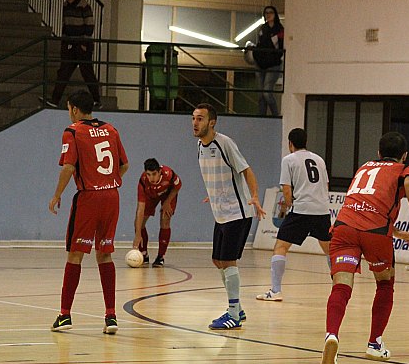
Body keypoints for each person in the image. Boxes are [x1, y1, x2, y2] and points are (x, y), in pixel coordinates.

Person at [321, 132, 409, 364]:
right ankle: (374, 343)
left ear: (378, 153)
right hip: (375, 234)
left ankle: (331, 335)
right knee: (385, 284)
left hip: (344, 227)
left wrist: (400, 234)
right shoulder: (403, 169)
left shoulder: (364, 167)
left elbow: (367, 210)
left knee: (340, 288)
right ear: (404, 156)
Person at [48, 90, 128, 334]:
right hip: (112, 196)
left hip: (88, 198)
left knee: (75, 255)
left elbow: (68, 166)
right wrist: (107, 182)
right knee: (104, 255)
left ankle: (64, 315)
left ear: (73, 108)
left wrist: (57, 195)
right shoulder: (111, 129)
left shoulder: (72, 131)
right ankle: (111, 317)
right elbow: (124, 165)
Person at [192, 103, 266, 330]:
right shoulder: (199, 145)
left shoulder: (225, 143)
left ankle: (233, 312)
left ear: (212, 122)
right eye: (193, 118)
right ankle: (238, 309)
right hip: (221, 214)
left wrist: (254, 195)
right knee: (218, 260)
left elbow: (246, 170)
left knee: (228, 261)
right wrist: (213, 194)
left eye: (200, 119)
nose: (195, 123)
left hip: (238, 212)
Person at [257, 128, 331, 302]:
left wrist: (290, 205)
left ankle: (275, 291)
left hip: (301, 210)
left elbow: (286, 189)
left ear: (290, 143)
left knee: (280, 247)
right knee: (330, 251)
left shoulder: (288, 160)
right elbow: (325, 186)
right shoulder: (319, 159)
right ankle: (340, 288)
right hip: (322, 211)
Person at [42, 0, 101, 109]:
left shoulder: (84, 5)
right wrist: (64, 42)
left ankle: (97, 99)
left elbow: (89, 25)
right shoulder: (66, 5)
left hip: (81, 44)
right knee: (64, 72)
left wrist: (84, 43)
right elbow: (65, 25)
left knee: (87, 73)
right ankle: (55, 100)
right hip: (70, 43)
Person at [132, 158, 182, 268]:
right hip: (151, 195)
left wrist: (167, 202)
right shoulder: (143, 181)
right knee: (138, 223)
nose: (151, 178)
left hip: (167, 195)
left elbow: (178, 186)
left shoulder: (168, 174)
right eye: (148, 174)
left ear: (159, 172)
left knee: (165, 219)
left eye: (154, 174)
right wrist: (137, 235)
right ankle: (144, 254)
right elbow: (140, 208)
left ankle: (160, 257)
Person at [253, 5, 284, 116]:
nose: (268, 15)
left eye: (270, 12)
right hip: (260, 63)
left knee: (267, 92)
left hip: (273, 64)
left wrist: (274, 56)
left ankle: (275, 115)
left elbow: (280, 47)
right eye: (266, 13)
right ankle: (261, 116)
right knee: (261, 94)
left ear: (275, 14)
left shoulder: (279, 30)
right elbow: (260, 43)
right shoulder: (262, 28)